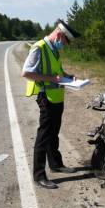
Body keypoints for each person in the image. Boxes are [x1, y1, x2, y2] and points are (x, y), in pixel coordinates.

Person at [21, 19, 81, 189]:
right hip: (46, 96)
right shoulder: (39, 48)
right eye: (66, 42)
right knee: (44, 135)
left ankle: (56, 164)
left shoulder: (53, 49)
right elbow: (26, 73)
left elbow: (56, 71)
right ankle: (39, 175)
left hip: (56, 96)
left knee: (54, 132)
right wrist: (50, 79)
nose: (65, 45)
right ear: (60, 35)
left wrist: (68, 76)